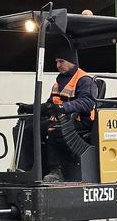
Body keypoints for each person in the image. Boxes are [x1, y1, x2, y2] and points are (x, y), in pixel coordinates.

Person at [19, 41, 99, 182]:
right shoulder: (59, 81)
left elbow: (87, 102)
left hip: (81, 122)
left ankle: (57, 172)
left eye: (61, 61)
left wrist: (63, 108)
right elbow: (51, 105)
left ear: (71, 61)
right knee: (30, 129)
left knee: (53, 129)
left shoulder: (85, 80)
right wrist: (31, 108)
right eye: (56, 62)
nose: (57, 66)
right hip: (62, 120)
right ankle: (33, 169)